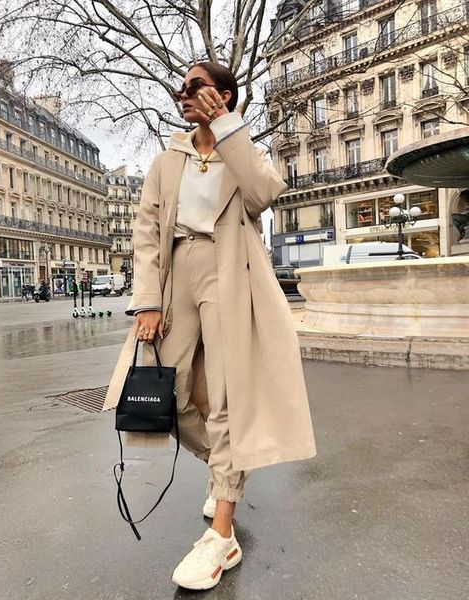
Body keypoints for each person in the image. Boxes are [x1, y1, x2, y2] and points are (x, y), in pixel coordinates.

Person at [104, 62, 316, 591]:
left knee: (226, 396)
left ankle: (222, 532)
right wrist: (147, 300)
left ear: (223, 95)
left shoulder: (243, 151)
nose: (184, 93)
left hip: (229, 273)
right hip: (177, 273)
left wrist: (227, 128)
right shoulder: (167, 160)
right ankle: (229, 465)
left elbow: (263, 194)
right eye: (181, 87)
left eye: (195, 85)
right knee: (167, 392)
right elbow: (146, 233)